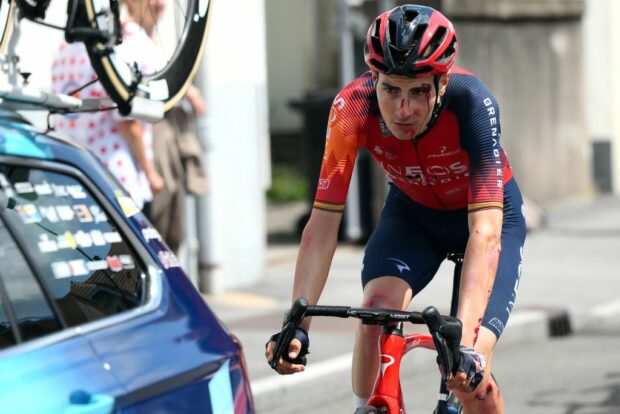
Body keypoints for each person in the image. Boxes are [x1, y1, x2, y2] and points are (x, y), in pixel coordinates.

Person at [265, 5, 526, 414]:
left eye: (418, 91)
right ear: (374, 79)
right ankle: (364, 408)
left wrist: (467, 346)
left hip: (486, 219)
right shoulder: (351, 109)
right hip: (413, 214)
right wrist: (297, 324)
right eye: (390, 89)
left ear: (440, 84)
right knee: (375, 311)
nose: (403, 110)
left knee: (470, 377)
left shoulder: (473, 104)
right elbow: (322, 223)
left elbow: (485, 232)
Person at [51, 2, 165, 211]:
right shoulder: (129, 42)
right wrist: (150, 172)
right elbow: (127, 119)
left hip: (69, 175)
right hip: (115, 177)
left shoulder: (65, 46)